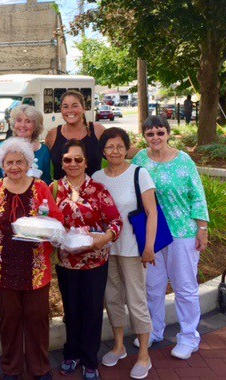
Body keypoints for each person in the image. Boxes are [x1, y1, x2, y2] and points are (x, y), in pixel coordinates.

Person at [0, 138, 63, 380]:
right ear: (2, 164)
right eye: (9, 162)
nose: (15, 166)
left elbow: (56, 218)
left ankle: (39, 367)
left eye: (20, 162)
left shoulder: (41, 188)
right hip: (2, 264)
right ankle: (11, 368)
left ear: (28, 163)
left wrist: (45, 227)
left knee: (37, 318)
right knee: (9, 320)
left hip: (35, 264)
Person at [132, 116, 209, 360]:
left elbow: (197, 195)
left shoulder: (183, 161)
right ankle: (154, 330)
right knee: (153, 287)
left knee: (184, 287)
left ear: (168, 133)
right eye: (150, 133)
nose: (155, 137)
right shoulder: (141, 159)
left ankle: (189, 336)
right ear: (144, 136)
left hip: (182, 234)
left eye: (160, 132)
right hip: (152, 233)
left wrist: (202, 228)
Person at [53, 139, 122, 380]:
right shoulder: (53, 190)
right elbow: (46, 221)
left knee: (92, 310)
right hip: (66, 261)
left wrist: (105, 238)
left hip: (95, 261)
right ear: (61, 163)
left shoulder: (98, 190)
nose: (72, 164)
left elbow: (116, 222)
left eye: (78, 159)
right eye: (67, 159)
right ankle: (71, 354)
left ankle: (90, 360)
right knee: (71, 310)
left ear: (87, 162)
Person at [92, 127, 156, 379]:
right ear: (103, 151)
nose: (115, 151)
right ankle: (118, 346)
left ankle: (144, 355)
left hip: (133, 249)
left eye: (120, 146)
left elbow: (152, 213)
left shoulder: (139, 174)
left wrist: (148, 246)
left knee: (137, 299)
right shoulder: (98, 176)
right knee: (112, 298)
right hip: (107, 249)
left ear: (127, 147)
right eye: (109, 147)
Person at [45, 90, 106, 179]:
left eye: (75, 106)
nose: (70, 110)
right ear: (61, 110)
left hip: (94, 190)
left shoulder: (97, 131)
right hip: (61, 191)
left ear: (83, 108)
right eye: (65, 106)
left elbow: (117, 152)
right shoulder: (53, 135)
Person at [0, 105, 52, 185]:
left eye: (28, 121)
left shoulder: (43, 151)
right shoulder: (3, 147)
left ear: (35, 126)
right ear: (14, 123)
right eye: (19, 120)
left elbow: (47, 180)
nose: (22, 125)